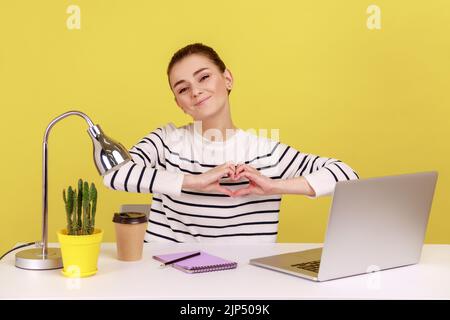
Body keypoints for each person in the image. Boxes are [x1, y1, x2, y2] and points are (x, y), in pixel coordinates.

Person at [103, 43, 359, 243]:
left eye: (203, 77)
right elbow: (114, 173)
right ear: (179, 104)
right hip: (167, 279)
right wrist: (196, 180)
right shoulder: (166, 141)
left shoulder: (265, 152)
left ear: (227, 79)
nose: (195, 91)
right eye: (182, 89)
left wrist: (273, 186)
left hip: (243, 282)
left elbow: (346, 175)